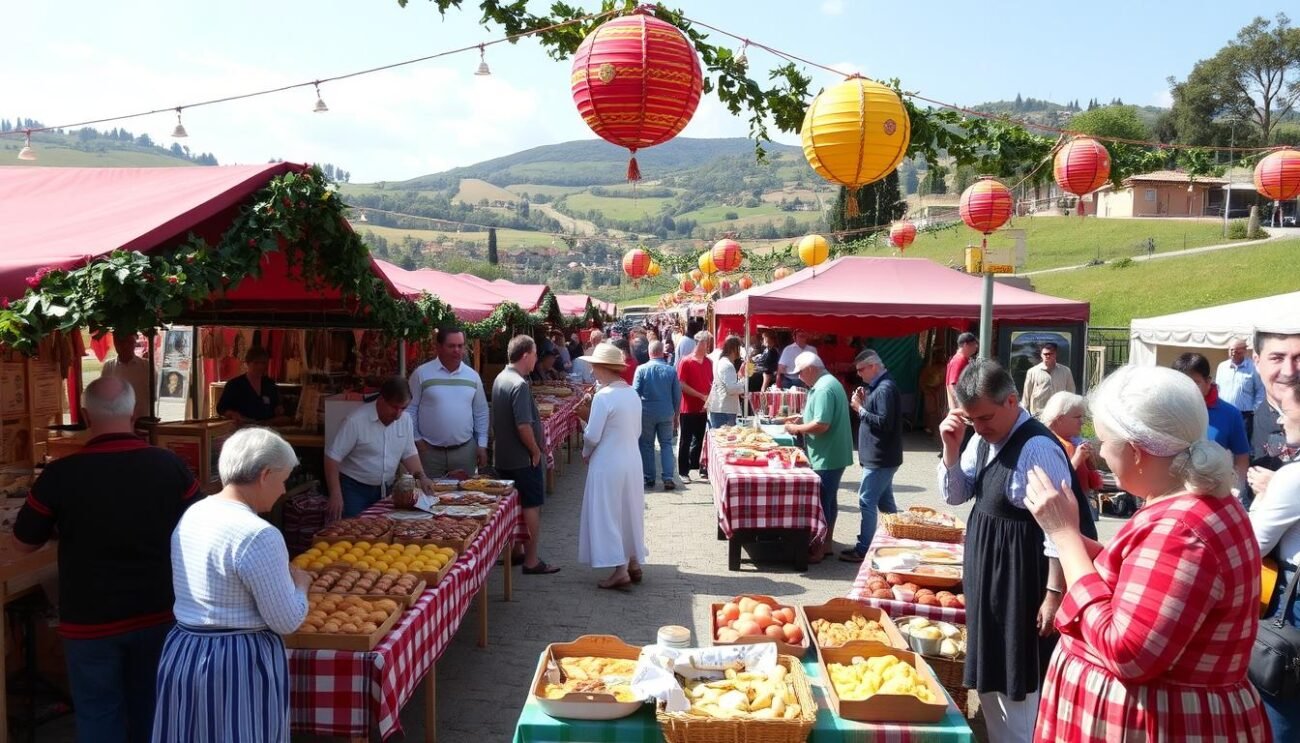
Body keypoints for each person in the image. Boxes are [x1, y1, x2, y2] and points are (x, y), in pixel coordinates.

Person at [1023, 365, 1267, 742]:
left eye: (1105, 442)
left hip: (1154, 723)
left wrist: (1065, 535)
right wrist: (1072, 536)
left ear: (1137, 452)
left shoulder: (1182, 528)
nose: (1101, 452)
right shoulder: (1193, 505)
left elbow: (1128, 651)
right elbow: (1146, 582)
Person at [13, 377, 200, 743]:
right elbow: (198, 527)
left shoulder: (60, 473)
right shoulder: (169, 465)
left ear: (84, 415)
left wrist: (59, 528)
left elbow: (22, 543)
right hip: (157, 612)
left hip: (89, 622)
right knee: (152, 710)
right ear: (134, 413)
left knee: (99, 715)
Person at [937, 359, 1096, 742]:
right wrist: (951, 449)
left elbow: (1059, 527)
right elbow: (957, 495)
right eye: (973, 419)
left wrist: (1053, 594)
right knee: (994, 673)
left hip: (1022, 578)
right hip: (992, 574)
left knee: (1020, 681)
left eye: (986, 417)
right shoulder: (981, 439)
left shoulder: (1038, 447)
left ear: (1012, 400)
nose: (980, 426)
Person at [153, 427, 311, 742]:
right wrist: (301, 586)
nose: (282, 490)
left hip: (185, 649)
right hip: (236, 661)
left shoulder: (194, 514)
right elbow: (286, 620)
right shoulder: (259, 533)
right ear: (265, 474)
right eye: (283, 480)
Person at [1248, 376, 1300, 738]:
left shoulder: (1292, 477)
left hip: (1293, 603)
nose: (1280, 421)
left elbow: (1252, 544)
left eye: (1287, 411)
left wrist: (1269, 493)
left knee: (1280, 716)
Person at [576, 343, 648, 590]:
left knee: (609, 513)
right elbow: (635, 430)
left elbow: (592, 435)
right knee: (629, 510)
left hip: (608, 461)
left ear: (602, 367)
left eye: (594, 366)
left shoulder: (604, 397)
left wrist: (586, 452)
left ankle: (620, 569)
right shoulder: (630, 393)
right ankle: (633, 561)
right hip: (631, 459)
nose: (592, 371)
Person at [492, 336, 559, 575]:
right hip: (522, 458)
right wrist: (535, 451)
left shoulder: (501, 378)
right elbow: (523, 425)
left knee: (512, 507)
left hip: (504, 456)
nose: (536, 360)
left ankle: (517, 551)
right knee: (531, 505)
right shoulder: (519, 385)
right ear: (525, 356)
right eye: (534, 354)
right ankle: (531, 560)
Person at [324, 376, 436, 519]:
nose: (398, 414)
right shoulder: (355, 421)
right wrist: (335, 494)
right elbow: (332, 458)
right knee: (355, 534)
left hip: (386, 490)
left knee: (381, 532)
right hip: (354, 490)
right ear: (381, 400)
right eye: (394, 407)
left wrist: (422, 477)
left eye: (403, 408)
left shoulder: (405, 419)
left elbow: (409, 453)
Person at [785, 352, 853, 563]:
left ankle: (820, 547)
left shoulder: (823, 388)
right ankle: (826, 544)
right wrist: (802, 419)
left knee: (823, 502)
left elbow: (822, 425)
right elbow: (819, 418)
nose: (799, 377)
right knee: (829, 500)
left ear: (811, 369)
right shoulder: (827, 383)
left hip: (827, 455)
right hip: (833, 453)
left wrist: (797, 428)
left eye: (800, 373)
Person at [842, 349, 902, 562]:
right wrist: (865, 400)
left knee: (866, 500)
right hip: (881, 456)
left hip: (881, 457)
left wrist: (859, 409)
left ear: (873, 366)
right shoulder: (879, 386)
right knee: (885, 503)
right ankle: (895, 540)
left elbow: (884, 422)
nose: (859, 374)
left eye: (861, 369)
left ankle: (864, 548)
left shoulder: (885, 388)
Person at [407, 328, 489, 478]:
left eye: (460, 345)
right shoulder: (421, 373)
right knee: (429, 498)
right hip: (429, 452)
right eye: (451, 346)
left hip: (464, 452)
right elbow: (410, 410)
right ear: (438, 347)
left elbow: (481, 412)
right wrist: (417, 440)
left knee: (466, 498)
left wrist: (482, 445)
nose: (457, 350)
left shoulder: (472, 376)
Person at [1173, 352, 1251, 492]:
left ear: (1208, 382)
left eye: (1195, 383)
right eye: (1181, 383)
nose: (1187, 389)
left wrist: (1237, 489)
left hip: (1213, 495)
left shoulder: (1230, 414)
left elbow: (1241, 455)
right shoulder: (1168, 410)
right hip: (1172, 492)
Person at [1248, 329, 1300, 501]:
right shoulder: (1244, 424)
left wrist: (1282, 489)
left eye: (1298, 358)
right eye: (1277, 358)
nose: (1289, 371)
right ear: (1257, 361)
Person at [1039, 391, 1103, 518]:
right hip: (1064, 510)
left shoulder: (1075, 441)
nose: (1082, 422)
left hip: (1082, 501)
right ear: (1059, 419)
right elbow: (1057, 481)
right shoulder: (1047, 444)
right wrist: (1077, 459)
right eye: (1077, 417)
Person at [632, 340, 681, 490]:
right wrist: (676, 415)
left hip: (646, 413)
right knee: (666, 444)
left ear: (649, 352)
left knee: (647, 445)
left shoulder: (641, 370)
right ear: (662, 352)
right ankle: (668, 477)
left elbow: (635, 393)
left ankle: (649, 477)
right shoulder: (671, 370)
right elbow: (677, 395)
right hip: (666, 412)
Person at [677, 331, 714, 483]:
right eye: (708, 343)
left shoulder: (708, 362)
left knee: (699, 439)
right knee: (685, 440)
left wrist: (708, 400)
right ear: (700, 343)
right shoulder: (686, 361)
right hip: (688, 407)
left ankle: (695, 467)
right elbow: (681, 384)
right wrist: (700, 395)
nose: (709, 346)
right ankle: (683, 471)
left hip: (702, 407)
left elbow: (710, 382)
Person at [217, 346, 285, 424]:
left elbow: (277, 405)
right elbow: (221, 408)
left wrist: (279, 409)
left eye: (263, 363)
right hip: (242, 428)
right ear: (247, 363)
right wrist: (232, 414)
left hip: (267, 428)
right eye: (256, 363)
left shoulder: (270, 384)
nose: (260, 366)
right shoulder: (234, 385)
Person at [1218, 337, 1267, 439]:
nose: (1233, 353)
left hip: (1244, 415)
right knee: (1222, 441)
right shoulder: (1222, 367)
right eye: (1231, 350)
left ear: (1244, 350)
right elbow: (1217, 388)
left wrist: (1254, 409)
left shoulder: (1253, 367)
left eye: (1236, 351)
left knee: (1242, 443)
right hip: (1223, 412)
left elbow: (1261, 389)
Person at [102, 330, 151, 421]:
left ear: (134, 342)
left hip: (142, 421)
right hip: (117, 421)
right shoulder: (108, 366)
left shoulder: (146, 366)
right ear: (115, 343)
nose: (124, 345)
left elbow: (154, 394)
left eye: (128, 341)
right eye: (119, 342)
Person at [1020, 342, 1076, 418]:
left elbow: (1071, 393)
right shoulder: (1032, 372)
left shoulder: (1066, 371)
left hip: (1058, 414)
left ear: (1056, 354)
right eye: (1045, 354)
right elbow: (1026, 396)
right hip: (1038, 415)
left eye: (1050, 354)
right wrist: (1024, 416)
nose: (1047, 356)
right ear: (1041, 355)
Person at [707, 336, 746, 428]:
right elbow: (731, 389)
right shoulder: (727, 365)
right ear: (734, 349)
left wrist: (740, 378)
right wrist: (744, 380)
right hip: (724, 409)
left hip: (723, 408)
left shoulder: (725, 363)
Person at [945, 332, 979, 411]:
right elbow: (952, 385)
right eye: (974, 344)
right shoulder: (959, 360)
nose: (976, 348)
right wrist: (961, 406)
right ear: (966, 345)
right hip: (959, 410)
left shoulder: (962, 360)